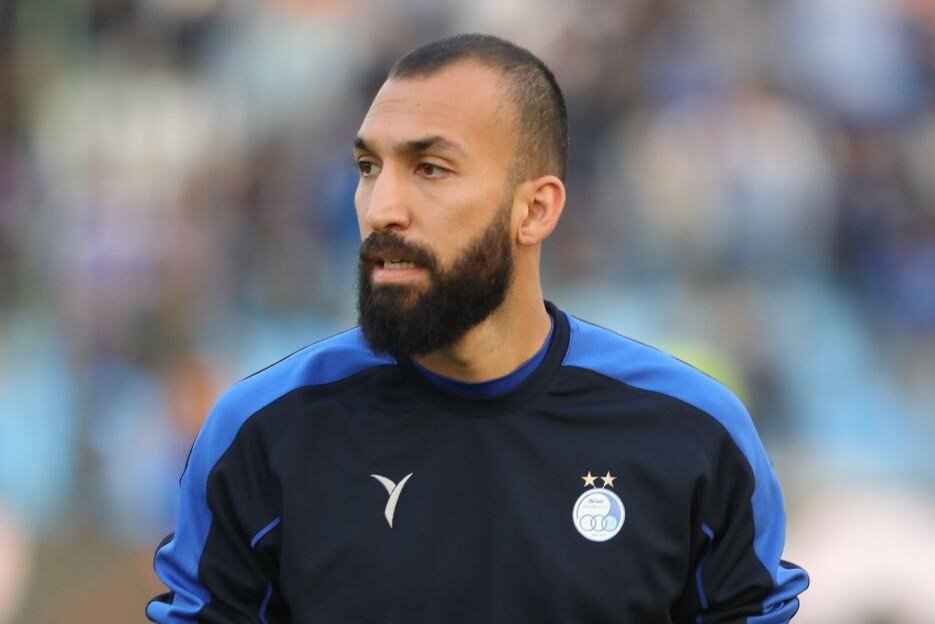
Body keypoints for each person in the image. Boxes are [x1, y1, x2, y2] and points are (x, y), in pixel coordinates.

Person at [147, 34, 808, 623]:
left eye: (429, 169)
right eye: (368, 168)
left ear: (535, 209)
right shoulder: (260, 435)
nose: (381, 209)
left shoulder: (693, 433)